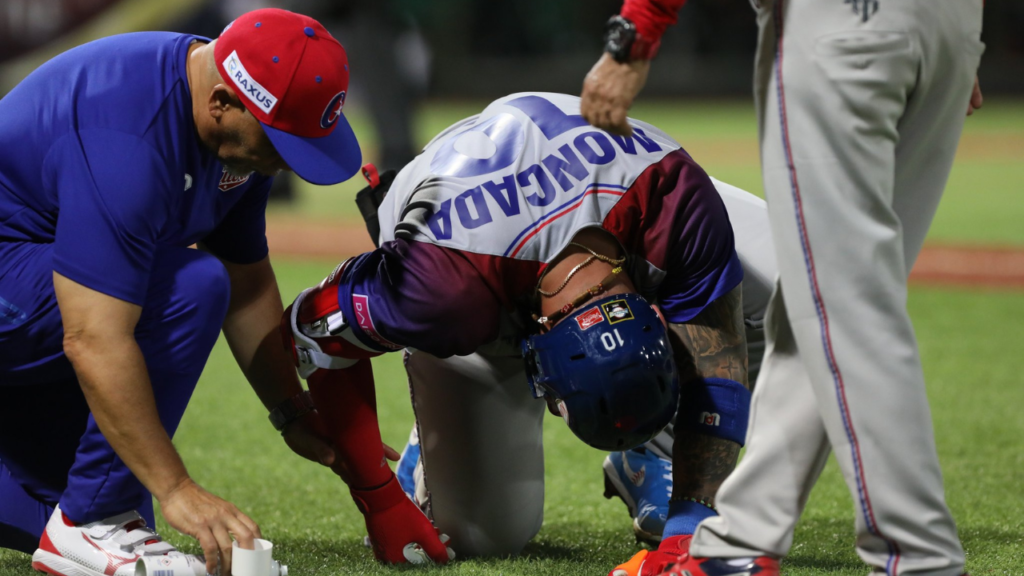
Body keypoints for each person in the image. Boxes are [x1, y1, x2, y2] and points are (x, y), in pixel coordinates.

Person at [278, 92, 777, 563]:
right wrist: (379, 498)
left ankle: (656, 454)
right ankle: (428, 445)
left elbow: (717, 359)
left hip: (623, 187)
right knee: (485, 534)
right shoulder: (441, 289)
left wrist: (691, 524)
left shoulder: (675, 200)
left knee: (802, 285)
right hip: (474, 258)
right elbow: (312, 331)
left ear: (652, 306)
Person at [581, 1, 985, 575]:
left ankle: (918, 558)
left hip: (843, 25)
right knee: (812, 304)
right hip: (950, 24)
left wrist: (635, 34)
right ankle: (736, 545)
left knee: (844, 307)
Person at [0, 8, 361, 576]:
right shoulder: (128, 139)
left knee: (40, 509)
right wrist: (175, 488)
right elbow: (93, 336)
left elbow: (245, 279)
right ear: (222, 102)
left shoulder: (235, 108)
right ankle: (95, 519)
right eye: (279, 141)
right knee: (186, 286)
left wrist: (291, 411)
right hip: (13, 274)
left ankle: (75, 511)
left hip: (30, 282)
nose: (283, 163)